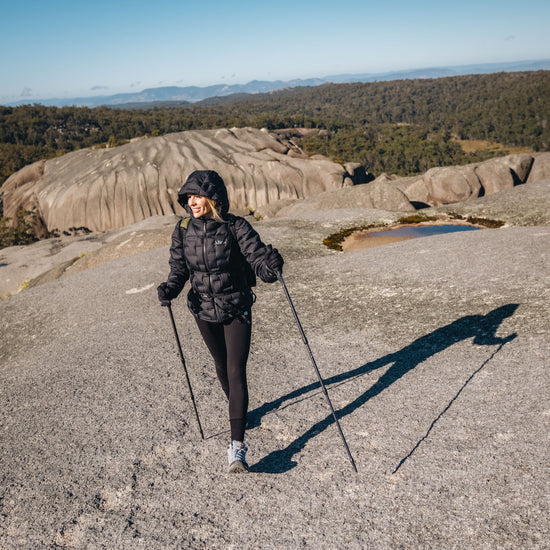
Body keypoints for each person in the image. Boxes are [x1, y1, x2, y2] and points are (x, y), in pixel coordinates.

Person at [157, 170, 284, 473]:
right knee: (219, 363)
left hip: (236, 306)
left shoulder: (235, 227)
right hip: (202, 309)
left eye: (197, 196)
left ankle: (237, 448)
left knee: (234, 369)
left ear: (212, 198)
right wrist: (169, 288)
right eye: (188, 197)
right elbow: (179, 270)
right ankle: (238, 410)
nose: (192, 201)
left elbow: (257, 260)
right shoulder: (183, 229)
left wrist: (271, 267)